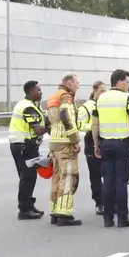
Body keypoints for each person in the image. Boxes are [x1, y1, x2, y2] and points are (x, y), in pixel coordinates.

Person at [92, 69, 129, 228]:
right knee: (121, 182)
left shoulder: (100, 98)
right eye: (127, 82)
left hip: (105, 144)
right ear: (119, 81)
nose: (128, 86)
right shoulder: (127, 98)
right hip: (122, 144)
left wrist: (96, 144)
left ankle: (108, 219)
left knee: (107, 181)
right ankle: (123, 218)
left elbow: (95, 124)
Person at [46, 73, 83, 226]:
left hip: (54, 142)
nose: (78, 86)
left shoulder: (52, 96)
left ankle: (54, 211)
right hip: (65, 142)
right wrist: (74, 140)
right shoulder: (66, 96)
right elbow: (66, 116)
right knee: (68, 177)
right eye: (77, 83)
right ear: (69, 83)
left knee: (57, 177)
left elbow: (47, 120)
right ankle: (64, 214)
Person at [8, 80, 46, 219]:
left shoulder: (32, 105)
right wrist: (52, 126)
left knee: (31, 176)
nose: (41, 92)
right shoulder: (27, 108)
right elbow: (38, 129)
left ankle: (29, 204)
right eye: (39, 90)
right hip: (23, 146)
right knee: (27, 177)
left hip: (27, 145)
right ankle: (23, 209)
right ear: (31, 92)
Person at [77, 80, 107, 215]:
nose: (103, 93)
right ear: (94, 90)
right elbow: (80, 125)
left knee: (109, 174)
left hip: (107, 141)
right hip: (91, 141)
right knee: (95, 175)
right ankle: (99, 202)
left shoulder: (106, 104)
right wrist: (94, 127)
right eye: (101, 90)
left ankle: (111, 201)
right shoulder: (86, 107)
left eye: (105, 90)